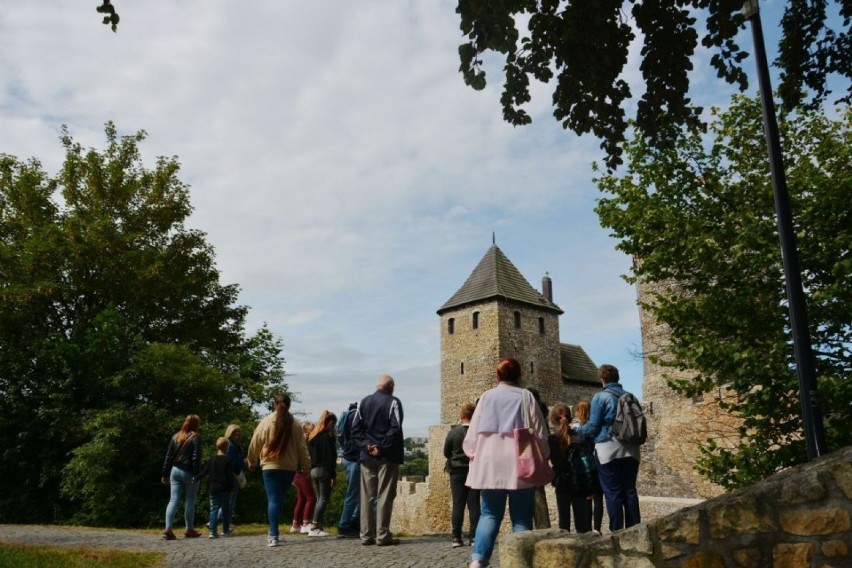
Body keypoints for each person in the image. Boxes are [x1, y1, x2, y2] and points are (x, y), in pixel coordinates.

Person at [464, 357, 549, 568]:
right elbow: (540, 431)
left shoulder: (485, 397)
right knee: (521, 518)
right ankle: (519, 562)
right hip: (520, 461)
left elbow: (472, 433)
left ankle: (478, 559)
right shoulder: (526, 396)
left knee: (490, 514)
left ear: (497, 376)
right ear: (520, 375)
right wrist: (544, 455)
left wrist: (472, 453)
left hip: (489, 462)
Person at [576, 364, 641, 531]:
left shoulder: (600, 397)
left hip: (608, 448)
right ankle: (636, 531)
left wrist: (576, 429)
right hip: (632, 448)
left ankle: (617, 533)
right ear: (618, 378)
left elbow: (592, 427)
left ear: (602, 379)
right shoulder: (631, 397)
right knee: (630, 491)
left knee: (613, 493)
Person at [246, 393, 311, 548]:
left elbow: (255, 442)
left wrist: (251, 460)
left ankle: (273, 534)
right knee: (279, 499)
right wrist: (307, 467)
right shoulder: (295, 424)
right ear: (289, 406)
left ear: (274, 404)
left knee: (273, 500)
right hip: (289, 468)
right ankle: (274, 532)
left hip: (270, 466)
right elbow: (302, 449)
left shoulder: (266, 422)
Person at [351, 374, 404, 546]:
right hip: (387, 456)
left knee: (367, 496)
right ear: (391, 387)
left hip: (367, 456)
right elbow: (395, 428)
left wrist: (368, 446)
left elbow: (356, 430)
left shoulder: (363, 402)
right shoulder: (393, 402)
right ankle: (382, 535)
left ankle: (365, 535)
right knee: (384, 496)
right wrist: (380, 446)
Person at [548, 403, 593, 533]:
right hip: (579, 482)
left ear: (552, 420)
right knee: (582, 523)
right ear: (571, 417)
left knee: (563, 523)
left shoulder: (552, 440)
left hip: (562, 482)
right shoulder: (579, 438)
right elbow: (587, 463)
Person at [443, 402, 480, 548]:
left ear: (461, 416)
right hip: (474, 470)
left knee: (458, 504)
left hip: (457, 472)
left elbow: (446, 452)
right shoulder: (478, 433)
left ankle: (456, 538)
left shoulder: (453, 433)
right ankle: (474, 538)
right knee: (474, 504)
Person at [161, 414, 203, 540]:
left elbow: (168, 456)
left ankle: (168, 529)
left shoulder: (176, 436)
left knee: (173, 500)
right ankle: (189, 529)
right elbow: (196, 457)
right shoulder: (196, 437)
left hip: (174, 470)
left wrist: (164, 473)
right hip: (189, 471)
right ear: (197, 425)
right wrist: (196, 474)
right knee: (189, 500)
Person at [195, 436, 235, 538]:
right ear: (226, 447)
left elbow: (204, 472)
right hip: (224, 489)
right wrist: (231, 488)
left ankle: (212, 532)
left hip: (213, 488)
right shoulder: (228, 460)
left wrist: (195, 478)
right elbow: (230, 476)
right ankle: (225, 530)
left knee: (213, 509)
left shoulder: (211, 460)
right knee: (225, 509)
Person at [573, 400, 603, 534]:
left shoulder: (575, 428)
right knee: (598, 497)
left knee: (585, 498)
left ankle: (586, 529)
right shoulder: (595, 427)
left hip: (582, 466)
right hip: (596, 462)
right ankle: (597, 528)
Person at [306, 410, 338, 537]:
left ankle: (318, 525)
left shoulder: (313, 437)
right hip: (323, 470)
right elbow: (328, 458)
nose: (334, 427)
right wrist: (333, 475)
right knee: (324, 499)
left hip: (314, 470)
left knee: (319, 499)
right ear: (330, 423)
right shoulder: (326, 437)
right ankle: (315, 526)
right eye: (333, 424)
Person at [527, 387, 552, 530]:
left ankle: (526, 529)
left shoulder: (529, 412)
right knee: (538, 491)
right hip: (540, 456)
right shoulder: (542, 412)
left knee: (527, 492)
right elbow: (544, 436)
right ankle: (543, 528)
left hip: (528, 456)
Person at [336, 402, 361, 538]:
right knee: (353, 494)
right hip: (354, 460)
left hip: (346, 457)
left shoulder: (344, 418)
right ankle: (345, 525)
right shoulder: (356, 417)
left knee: (355, 493)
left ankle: (352, 522)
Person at [290, 422, 317, 535]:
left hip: (296, 473)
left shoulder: (298, 443)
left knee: (301, 498)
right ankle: (306, 523)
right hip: (302, 473)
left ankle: (296, 524)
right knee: (311, 498)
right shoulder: (306, 443)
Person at [219, 424, 244, 533]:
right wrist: (241, 465)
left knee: (227, 501)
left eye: (238, 432)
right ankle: (221, 522)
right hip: (232, 476)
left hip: (226, 475)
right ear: (230, 432)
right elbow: (233, 462)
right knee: (230, 501)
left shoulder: (226, 444)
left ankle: (221, 522)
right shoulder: (232, 446)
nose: (237, 434)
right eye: (235, 432)